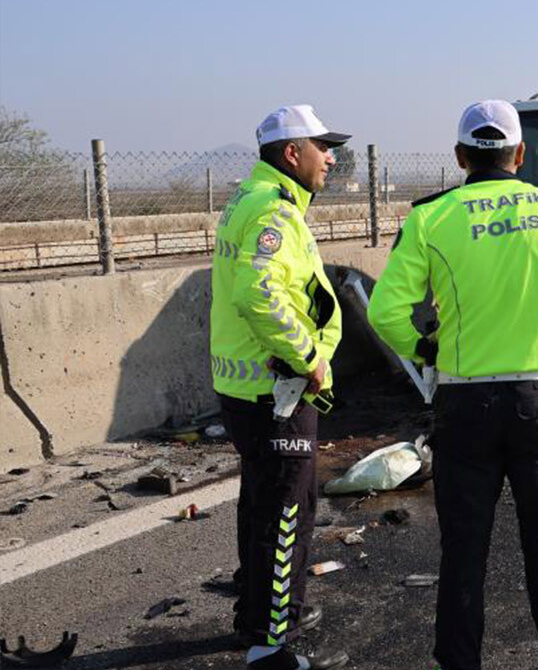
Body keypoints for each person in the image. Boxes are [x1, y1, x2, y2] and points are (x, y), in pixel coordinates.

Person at [367, 99, 538, 670]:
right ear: (521, 154)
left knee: (464, 550)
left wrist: (425, 348)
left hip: (464, 403)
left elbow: (386, 313)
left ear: (461, 156)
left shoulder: (431, 218)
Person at [210, 105, 350, 669]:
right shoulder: (275, 211)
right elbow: (259, 295)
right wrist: (310, 358)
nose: (332, 158)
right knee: (287, 512)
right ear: (292, 153)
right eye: (322, 147)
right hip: (278, 390)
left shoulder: (251, 198)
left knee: (261, 501)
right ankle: (270, 642)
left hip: (248, 388)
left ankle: (257, 613)